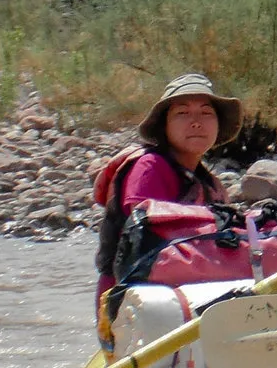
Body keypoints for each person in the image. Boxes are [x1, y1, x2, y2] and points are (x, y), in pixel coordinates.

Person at [93, 72, 240, 297]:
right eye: (182, 113)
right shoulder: (149, 168)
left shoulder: (210, 183)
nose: (196, 122)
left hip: (187, 292)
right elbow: (145, 238)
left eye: (206, 113)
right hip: (136, 301)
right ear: (165, 126)